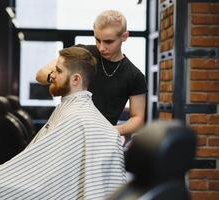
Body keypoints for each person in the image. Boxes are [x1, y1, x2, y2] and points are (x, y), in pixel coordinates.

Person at [0, 47, 126, 200]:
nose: (51, 75)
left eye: (58, 71)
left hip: (47, 187)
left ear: (75, 79)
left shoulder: (78, 118)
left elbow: (48, 180)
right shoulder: (72, 109)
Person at [36, 10, 147, 138]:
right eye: (97, 40)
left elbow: (137, 120)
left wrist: (108, 131)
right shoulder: (82, 54)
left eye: (108, 42)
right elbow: (40, 75)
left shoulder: (135, 76)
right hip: (66, 130)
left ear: (124, 36)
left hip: (99, 139)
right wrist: (56, 78)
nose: (101, 47)